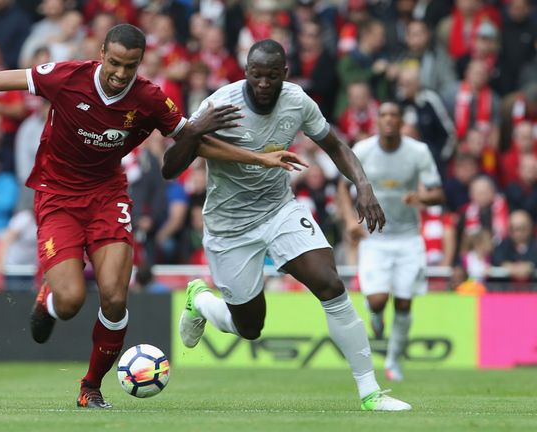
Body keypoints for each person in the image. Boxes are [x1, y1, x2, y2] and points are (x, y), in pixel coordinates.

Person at [0, 24, 296, 409]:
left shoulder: (148, 97)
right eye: (114, 62)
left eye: (129, 66)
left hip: (108, 196)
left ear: (139, 64)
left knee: (114, 295)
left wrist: (259, 158)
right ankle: (49, 299)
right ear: (101, 52)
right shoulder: (66, 76)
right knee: (70, 301)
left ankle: (91, 386)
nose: (120, 73)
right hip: (57, 196)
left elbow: (193, 140)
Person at [163, 39, 411, 411]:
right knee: (249, 328)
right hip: (230, 227)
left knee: (330, 283)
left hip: (279, 210)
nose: (263, 83)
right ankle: (200, 301)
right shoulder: (219, 103)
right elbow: (170, 168)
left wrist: (362, 184)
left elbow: (336, 146)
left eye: (272, 76)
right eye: (256, 75)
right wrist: (196, 128)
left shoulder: (297, 100)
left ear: (285, 74)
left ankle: (371, 392)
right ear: (246, 72)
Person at [338, 102, 445, 382]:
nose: (388, 120)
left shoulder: (418, 152)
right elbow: (341, 185)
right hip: (375, 238)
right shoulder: (362, 150)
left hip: (409, 237)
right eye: (383, 115)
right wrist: (350, 220)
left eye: (393, 115)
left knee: (404, 304)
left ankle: (394, 360)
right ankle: (375, 315)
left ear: (400, 122)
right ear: (377, 121)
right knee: (377, 300)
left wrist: (421, 198)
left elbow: (438, 194)